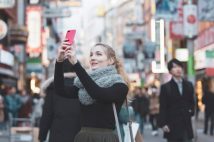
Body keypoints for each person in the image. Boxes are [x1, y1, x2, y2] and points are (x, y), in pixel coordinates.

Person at [54, 40, 129, 142]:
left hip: (105, 138)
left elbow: (97, 93)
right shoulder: (84, 84)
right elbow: (60, 90)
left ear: (111, 60)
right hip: (83, 137)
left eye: (98, 54)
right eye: (91, 55)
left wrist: (76, 64)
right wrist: (59, 62)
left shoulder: (119, 85)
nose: (93, 58)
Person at [38, 59, 81, 142]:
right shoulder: (83, 86)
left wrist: (41, 136)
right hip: (79, 135)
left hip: (57, 135)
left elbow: (47, 114)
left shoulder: (53, 87)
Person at [158, 58, 195, 142]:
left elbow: (192, 102)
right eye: (174, 67)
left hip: (186, 124)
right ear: (170, 71)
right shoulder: (166, 87)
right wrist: (163, 124)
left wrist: (191, 111)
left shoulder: (189, 85)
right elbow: (163, 107)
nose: (178, 69)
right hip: (172, 125)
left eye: (179, 66)